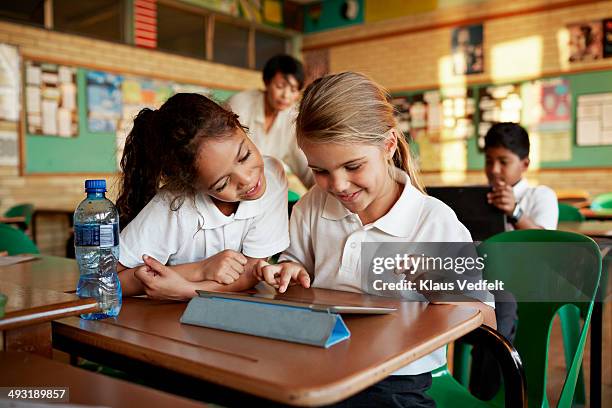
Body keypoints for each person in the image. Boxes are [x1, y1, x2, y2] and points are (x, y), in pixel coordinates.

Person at [254, 72, 496, 407]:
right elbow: (294, 270)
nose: (337, 185)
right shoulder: (312, 205)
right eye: (320, 171)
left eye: (353, 166)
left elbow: (486, 321)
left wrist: (441, 288)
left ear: (388, 145)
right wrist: (289, 271)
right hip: (314, 361)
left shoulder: (432, 221)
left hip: (394, 380)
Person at [115, 93, 289, 301]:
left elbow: (251, 270)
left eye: (244, 156)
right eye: (222, 183)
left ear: (239, 125)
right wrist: (200, 270)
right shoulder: (174, 205)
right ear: (191, 186)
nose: (247, 179)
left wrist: (186, 290)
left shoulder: (272, 176)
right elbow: (107, 281)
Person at [228, 54, 314, 190]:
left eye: (293, 90)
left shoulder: (292, 118)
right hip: (232, 186)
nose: (286, 95)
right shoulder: (240, 104)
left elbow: (305, 166)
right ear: (267, 82)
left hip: (262, 190)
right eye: (280, 86)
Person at [484, 122, 558, 231]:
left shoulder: (542, 196)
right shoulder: (476, 196)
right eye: (489, 161)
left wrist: (514, 211)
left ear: (525, 164)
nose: (494, 170)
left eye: (503, 162)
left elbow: (544, 243)